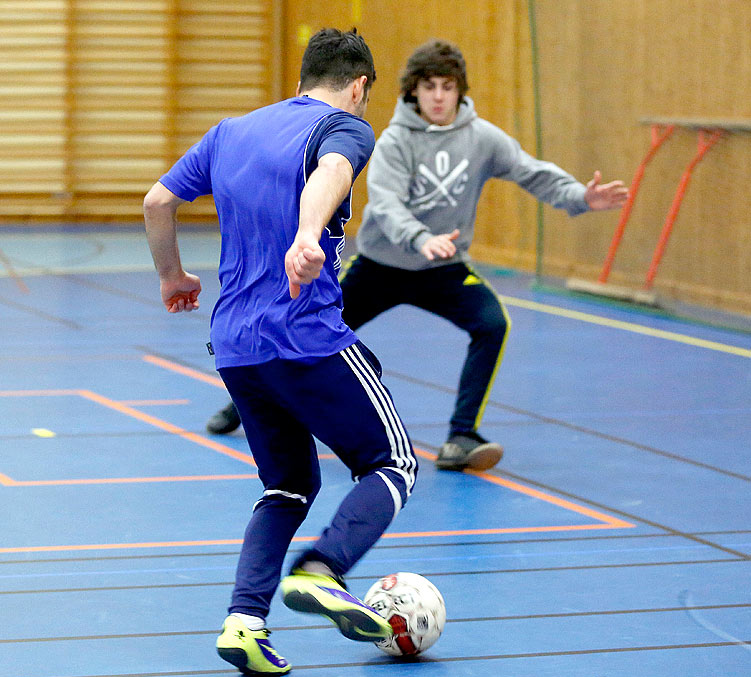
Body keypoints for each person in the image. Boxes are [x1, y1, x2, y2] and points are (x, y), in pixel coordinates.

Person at [206, 39, 629, 472]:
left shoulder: (482, 138)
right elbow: (385, 205)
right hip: (380, 267)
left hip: (443, 268)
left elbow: (529, 170)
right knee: (299, 328)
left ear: (460, 90)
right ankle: (244, 406)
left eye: (448, 87)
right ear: (414, 92)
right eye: (430, 87)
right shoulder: (393, 141)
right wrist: (420, 238)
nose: (440, 97)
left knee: (491, 324)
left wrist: (580, 196)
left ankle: (461, 435)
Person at [144, 28, 417, 677]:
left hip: (235, 347)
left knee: (287, 485)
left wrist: (171, 278)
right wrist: (304, 235)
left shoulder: (230, 131)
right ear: (357, 86)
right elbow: (330, 172)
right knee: (394, 462)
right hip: (304, 334)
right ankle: (322, 572)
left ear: (299, 80)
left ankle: (244, 623)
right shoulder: (344, 127)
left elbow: (157, 202)